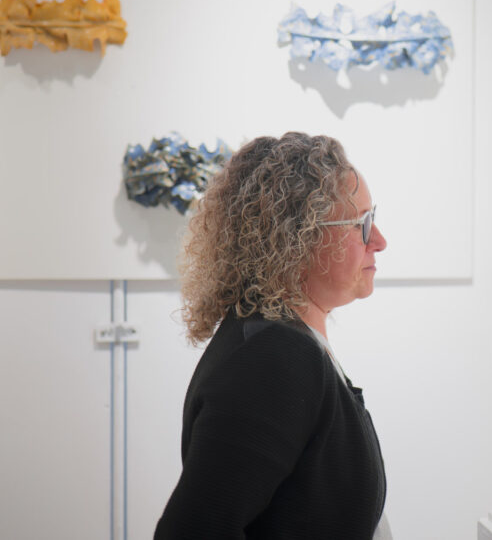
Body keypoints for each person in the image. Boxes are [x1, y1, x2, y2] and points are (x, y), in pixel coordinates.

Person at [155, 132, 390, 539]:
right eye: (362, 224)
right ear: (298, 237)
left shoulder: (281, 341)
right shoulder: (275, 358)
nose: (380, 241)